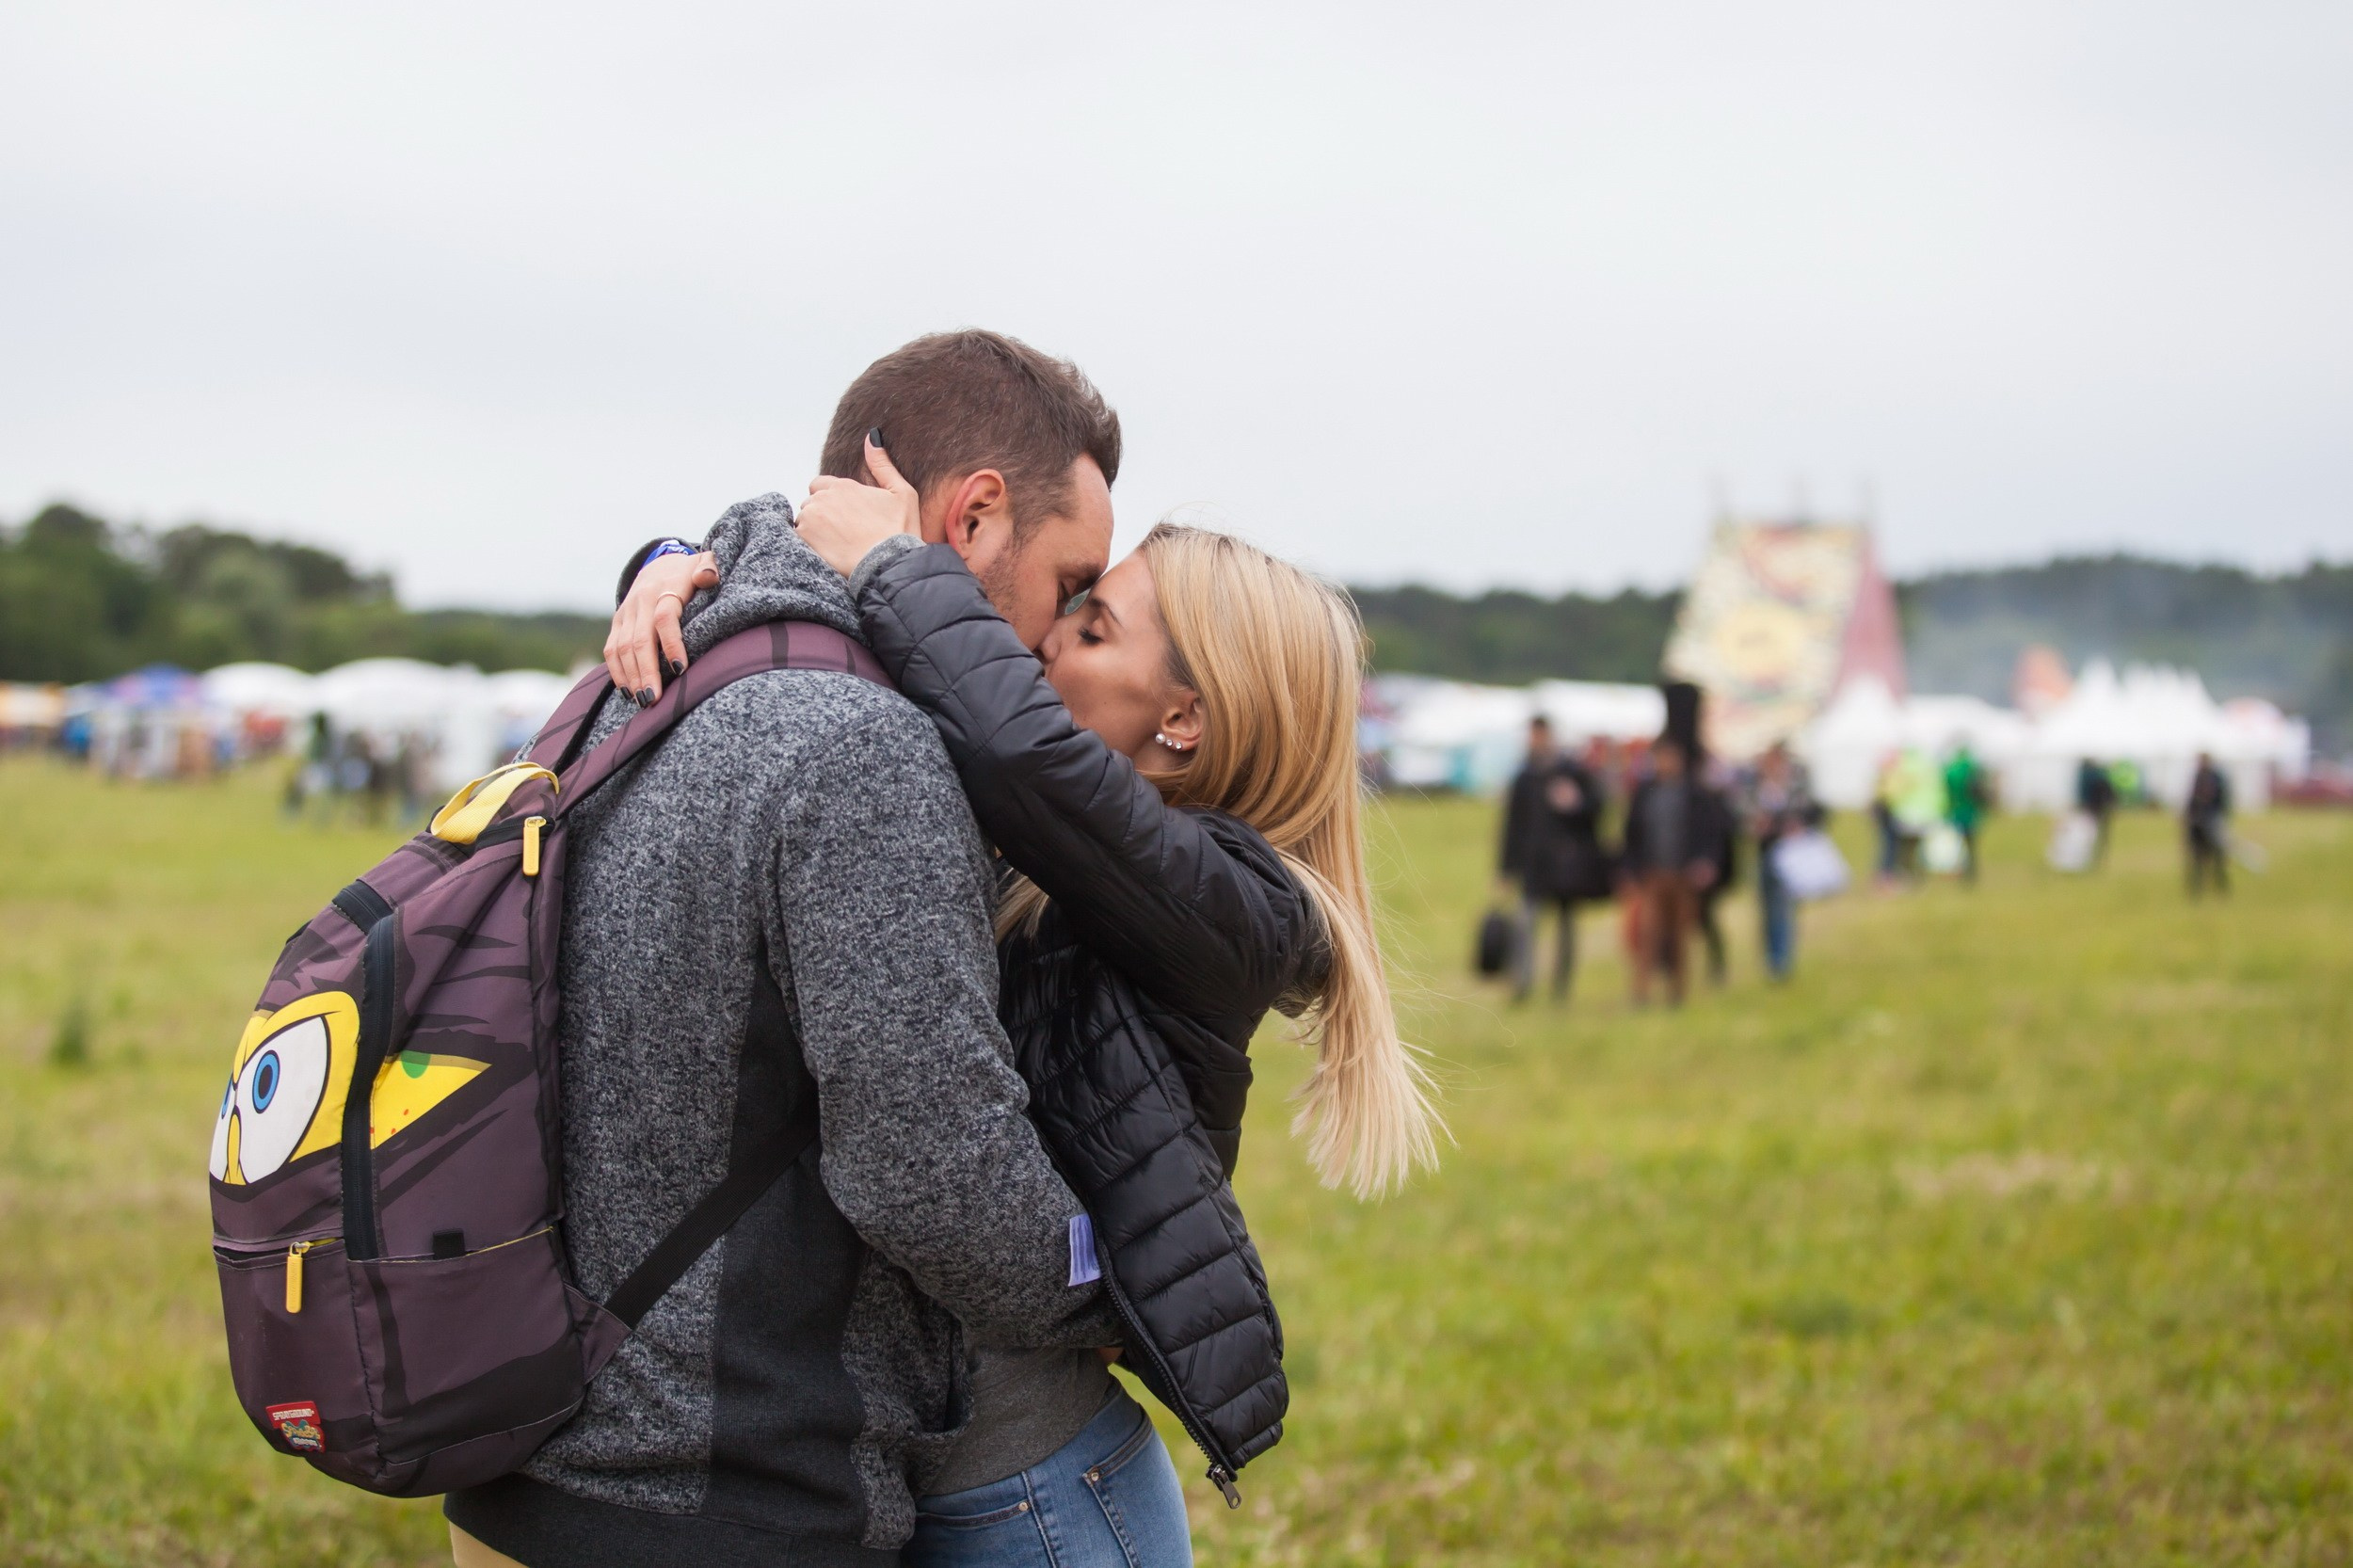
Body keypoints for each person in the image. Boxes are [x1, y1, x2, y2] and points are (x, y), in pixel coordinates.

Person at [600, 350, 1438, 1566]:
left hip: (1045, 1473)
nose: (1044, 637)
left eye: (1091, 621)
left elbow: (1017, 745)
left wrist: (899, 566)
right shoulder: (1068, 850)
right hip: (950, 1438)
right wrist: (678, 563)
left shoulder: (1239, 905)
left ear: (1184, 719)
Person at [444, 333, 1132, 1568]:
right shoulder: (862, 744)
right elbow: (930, 1158)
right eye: (1069, 578)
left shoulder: (651, 661)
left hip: (526, 1443)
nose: (1060, 629)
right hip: (720, 1489)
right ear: (972, 517)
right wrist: (1108, 1293)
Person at [1496, 715, 1608, 1004]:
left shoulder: (1572, 773)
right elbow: (1512, 826)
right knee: (1526, 922)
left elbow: (1597, 810)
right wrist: (1506, 869)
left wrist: (1575, 803)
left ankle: (1561, 987)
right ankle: (1522, 984)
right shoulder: (1524, 777)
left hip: (1566, 866)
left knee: (1565, 927)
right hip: (1534, 865)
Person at [1617, 737, 1727, 1007]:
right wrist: (1629, 870)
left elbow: (1712, 834)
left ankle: (1677, 990)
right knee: (1647, 933)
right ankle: (1641, 990)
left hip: (1683, 877)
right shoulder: (1645, 794)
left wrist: (1705, 863)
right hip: (1653, 875)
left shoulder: (1695, 795)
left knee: (1679, 936)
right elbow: (1631, 835)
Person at [1745, 743, 1817, 982]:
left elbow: (1813, 811)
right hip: (1765, 852)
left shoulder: (1797, 785)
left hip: (1789, 853)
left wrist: (1795, 825)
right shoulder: (1756, 785)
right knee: (1766, 908)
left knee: (1784, 908)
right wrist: (1754, 824)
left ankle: (1782, 960)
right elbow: (1741, 813)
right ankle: (1770, 957)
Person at [2185, 750, 2232, 898]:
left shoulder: (2216, 778)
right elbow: (2192, 799)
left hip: (2213, 820)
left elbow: (2222, 800)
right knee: (2198, 857)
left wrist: (2219, 817)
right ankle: (2197, 887)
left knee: (2217, 856)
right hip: (2198, 822)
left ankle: (2221, 885)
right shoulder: (2197, 777)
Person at [1943, 744, 1988, 885]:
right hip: (1970, 811)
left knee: (1958, 844)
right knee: (1970, 844)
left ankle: (1960, 870)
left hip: (1955, 811)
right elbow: (1979, 792)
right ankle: (1970, 872)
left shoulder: (1950, 770)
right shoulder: (1972, 769)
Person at [2075, 756, 2118, 867]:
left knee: (2089, 833)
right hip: (2099, 808)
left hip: (2090, 808)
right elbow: (2110, 793)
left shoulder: (2085, 775)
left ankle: (2089, 856)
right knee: (2096, 835)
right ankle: (2095, 856)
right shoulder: (2099, 775)